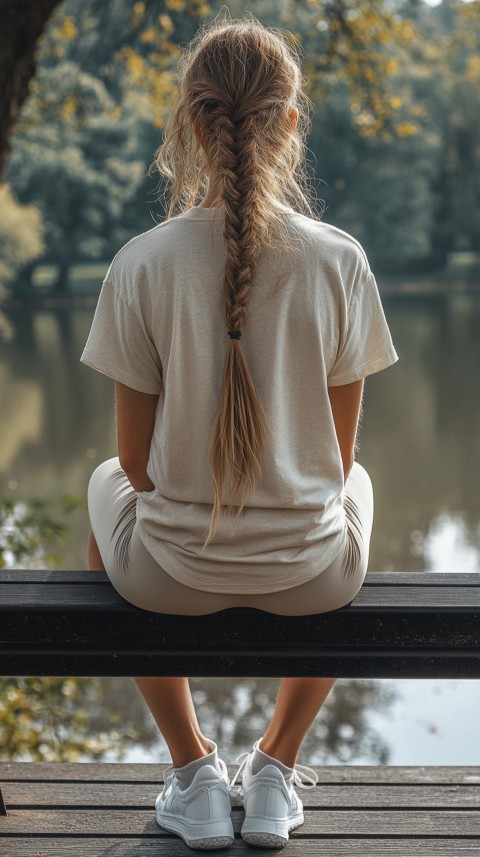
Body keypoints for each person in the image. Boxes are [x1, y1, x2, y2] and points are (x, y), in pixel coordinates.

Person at [81, 16, 398, 851]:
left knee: (97, 487)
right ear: (291, 121)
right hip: (313, 575)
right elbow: (337, 460)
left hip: (166, 574)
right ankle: (275, 768)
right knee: (361, 484)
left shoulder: (140, 262)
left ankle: (190, 773)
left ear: (191, 123)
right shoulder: (341, 261)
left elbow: (133, 466)